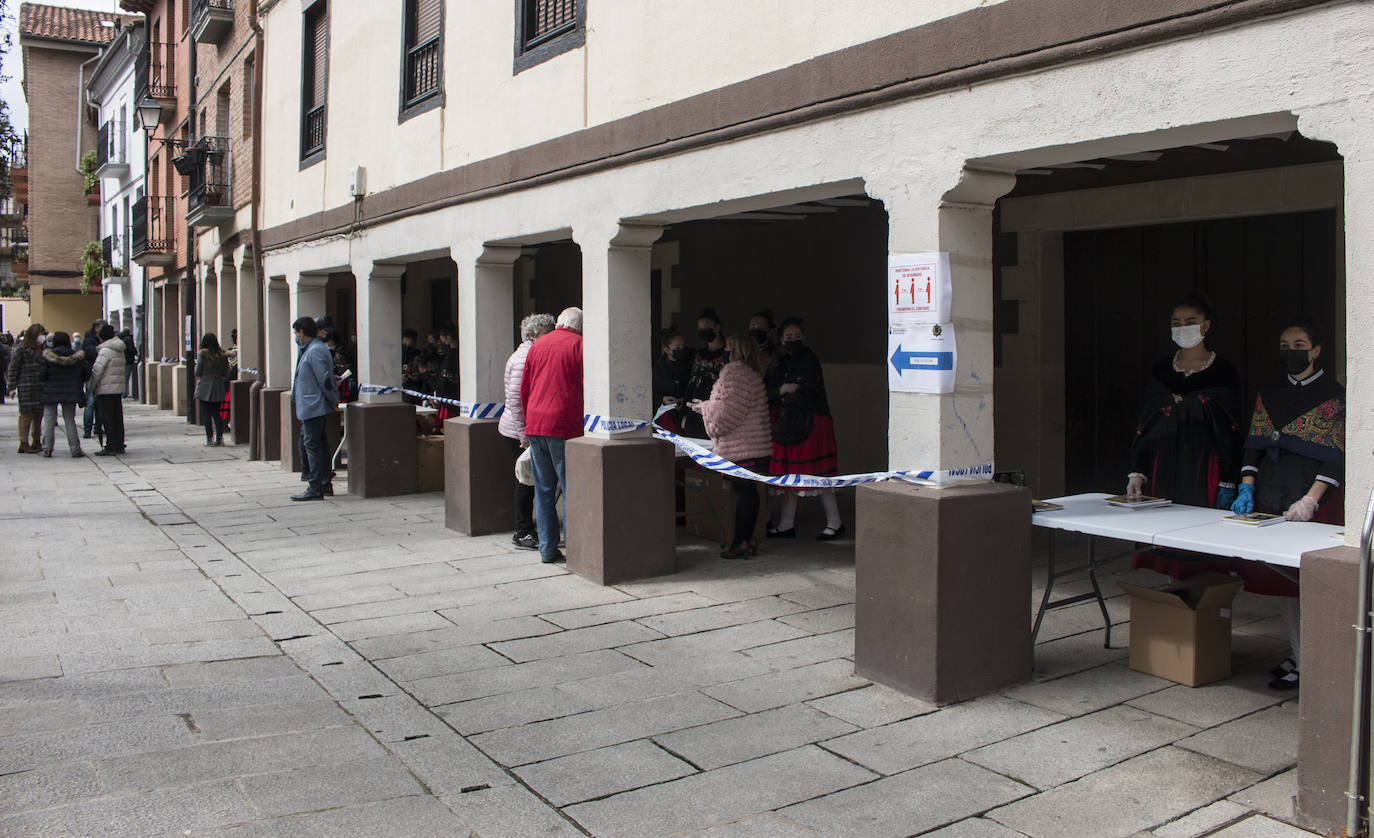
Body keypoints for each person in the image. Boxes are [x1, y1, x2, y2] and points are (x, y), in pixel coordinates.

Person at [1230, 315, 1344, 691]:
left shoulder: (1334, 395)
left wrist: (1311, 501)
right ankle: (1299, 654)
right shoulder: (1270, 393)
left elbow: (1336, 455)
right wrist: (1246, 486)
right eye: (1285, 346)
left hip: (1313, 498)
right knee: (1282, 583)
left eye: (1298, 346)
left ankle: (1312, 660)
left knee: (1309, 582)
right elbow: (1255, 444)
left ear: (1316, 350)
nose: (1291, 352)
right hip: (1271, 493)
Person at [1126, 295, 1243, 507]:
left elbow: (1229, 430)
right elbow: (1148, 424)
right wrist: (1138, 471)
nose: (1182, 328)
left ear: (1206, 326)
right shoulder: (1161, 370)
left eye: (1190, 322)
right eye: (1176, 323)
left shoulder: (1224, 372)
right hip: (1163, 461)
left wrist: (1229, 479)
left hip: (1205, 464)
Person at [766, 317, 845, 540]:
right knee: (789, 475)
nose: (793, 340)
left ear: (804, 337)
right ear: (781, 339)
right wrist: (783, 388)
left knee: (818, 475)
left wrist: (785, 392)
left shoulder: (810, 360)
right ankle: (786, 523)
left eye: (797, 336)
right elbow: (769, 391)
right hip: (788, 423)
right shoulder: (779, 363)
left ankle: (835, 522)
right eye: (788, 337)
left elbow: (807, 390)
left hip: (813, 422)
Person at [697, 334, 773, 559]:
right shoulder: (753, 374)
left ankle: (740, 542)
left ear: (736, 350)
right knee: (750, 493)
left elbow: (725, 415)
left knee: (744, 494)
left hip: (741, 447)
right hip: (755, 446)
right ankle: (747, 540)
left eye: (729, 348)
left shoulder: (734, 373)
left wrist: (704, 407)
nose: (725, 351)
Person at [520, 307, 583, 564]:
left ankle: (547, 548)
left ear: (559, 322)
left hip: (536, 424)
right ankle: (574, 549)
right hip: (564, 425)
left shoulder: (538, 345)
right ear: (580, 327)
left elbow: (525, 388)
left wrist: (528, 422)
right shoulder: (579, 345)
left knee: (544, 490)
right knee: (570, 489)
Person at [499, 312, 557, 551]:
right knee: (525, 481)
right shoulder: (524, 357)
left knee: (529, 480)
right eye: (547, 333)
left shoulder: (529, 353)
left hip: (523, 429)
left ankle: (527, 528)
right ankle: (522, 531)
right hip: (519, 432)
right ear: (532, 335)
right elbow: (516, 400)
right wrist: (524, 436)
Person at [290, 316, 339, 500]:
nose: (296, 336)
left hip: (314, 405)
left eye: (296, 332)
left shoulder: (315, 351)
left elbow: (324, 380)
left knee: (313, 445)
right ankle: (324, 484)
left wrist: (332, 399)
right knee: (320, 444)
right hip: (311, 404)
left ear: (302, 332)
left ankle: (316, 485)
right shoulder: (310, 350)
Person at [677, 308, 727, 438]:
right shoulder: (698, 354)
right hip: (694, 407)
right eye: (699, 328)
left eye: (707, 327)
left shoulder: (728, 354)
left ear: (717, 327)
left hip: (715, 407)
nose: (703, 331)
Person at [39, 332, 89, 458]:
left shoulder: (48, 356)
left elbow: (42, 375)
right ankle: (75, 449)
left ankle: (47, 448)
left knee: (49, 420)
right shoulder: (76, 357)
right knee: (69, 420)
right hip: (70, 392)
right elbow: (86, 372)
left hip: (51, 391)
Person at [7, 324, 45, 453]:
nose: (42, 336)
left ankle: (36, 441)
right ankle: (23, 442)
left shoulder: (43, 349)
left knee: (38, 415)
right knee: (26, 415)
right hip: (26, 386)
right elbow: (13, 368)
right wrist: (11, 386)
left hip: (40, 387)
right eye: (40, 333)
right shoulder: (21, 349)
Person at [90, 325, 127, 456]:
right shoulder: (119, 348)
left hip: (105, 389)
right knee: (117, 418)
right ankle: (119, 443)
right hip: (117, 388)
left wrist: (91, 387)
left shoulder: (105, 350)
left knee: (108, 419)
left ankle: (111, 445)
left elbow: (97, 370)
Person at [195, 333, 231, 447]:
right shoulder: (222, 355)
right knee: (217, 414)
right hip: (218, 385)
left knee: (206, 414)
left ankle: (209, 438)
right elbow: (226, 372)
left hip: (205, 385)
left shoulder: (202, 355)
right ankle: (219, 438)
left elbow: (198, 371)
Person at [651, 327, 692, 421]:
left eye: (683, 346)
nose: (682, 350)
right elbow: (652, 391)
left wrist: (684, 400)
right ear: (666, 350)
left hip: (686, 414)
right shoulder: (658, 368)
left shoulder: (691, 362)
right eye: (677, 348)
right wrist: (662, 399)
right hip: (664, 416)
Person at [80, 320, 103, 439]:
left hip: (101, 374)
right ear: (96, 328)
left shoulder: (102, 339)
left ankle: (98, 427)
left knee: (99, 403)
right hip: (91, 373)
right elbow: (89, 352)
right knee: (90, 402)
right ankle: (87, 429)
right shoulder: (89, 340)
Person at [747, 309, 780, 374]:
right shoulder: (741, 349)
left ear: (770, 332)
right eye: (753, 326)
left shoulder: (775, 355)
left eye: (761, 327)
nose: (756, 329)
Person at [120, 329, 139, 399]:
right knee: (126, 377)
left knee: (123, 378)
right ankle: (124, 394)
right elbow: (132, 349)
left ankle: (123, 393)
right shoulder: (129, 339)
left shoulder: (121, 339)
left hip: (123, 360)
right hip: (128, 361)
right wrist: (135, 352)